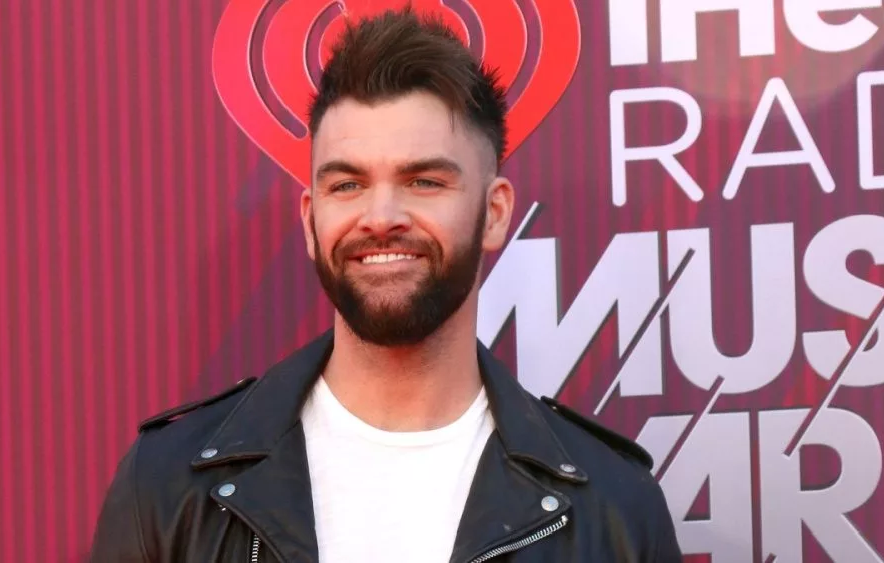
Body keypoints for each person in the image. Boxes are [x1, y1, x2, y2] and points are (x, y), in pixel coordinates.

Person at [90, 7, 681, 562]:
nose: (380, 216)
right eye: (346, 186)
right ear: (309, 219)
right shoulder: (169, 485)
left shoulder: (615, 508)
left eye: (424, 181)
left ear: (495, 212)